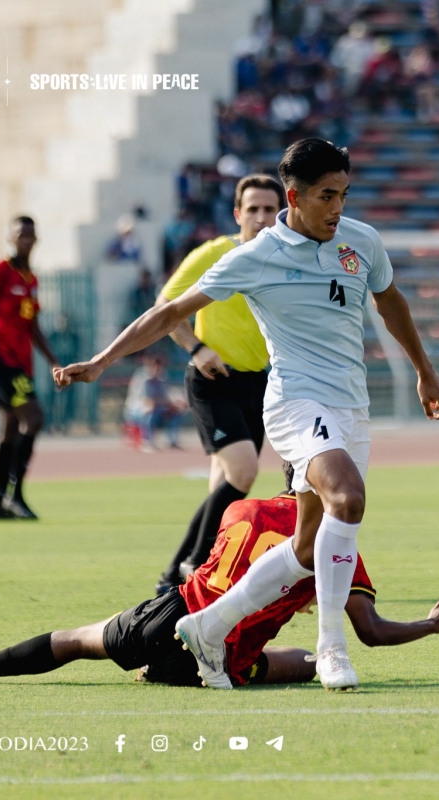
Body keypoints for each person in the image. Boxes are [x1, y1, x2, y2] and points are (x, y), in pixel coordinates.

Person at [55, 138, 439, 692]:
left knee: (310, 546)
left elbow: (391, 301)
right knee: (348, 497)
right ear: (295, 196)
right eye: (326, 196)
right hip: (294, 402)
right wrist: (101, 361)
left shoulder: (361, 241)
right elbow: (170, 311)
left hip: (351, 405)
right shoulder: (256, 256)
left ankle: (209, 628)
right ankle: (332, 650)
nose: (338, 208)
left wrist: (424, 370)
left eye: (344, 194)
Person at [0, 464, 439, 687]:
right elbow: (370, 631)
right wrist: (431, 626)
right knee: (309, 663)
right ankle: (171, 670)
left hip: (169, 616)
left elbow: (219, 568)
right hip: (220, 658)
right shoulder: (339, 546)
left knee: (76, 640)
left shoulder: (241, 510)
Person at [153, 174, 284, 595]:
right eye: (253, 210)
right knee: (244, 472)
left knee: (222, 490)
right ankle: (196, 560)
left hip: (258, 384)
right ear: (237, 213)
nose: (262, 218)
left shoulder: (286, 258)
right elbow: (164, 307)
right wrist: (195, 348)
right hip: (212, 380)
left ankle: (174, 576)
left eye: (269, 209)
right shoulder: (215, 253)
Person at [0, 216, 61, 521]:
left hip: (23, 363)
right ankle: (17, 494)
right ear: (10, 238)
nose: (26, 240)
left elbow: (33, 325)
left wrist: (53, 361)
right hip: (2, 363)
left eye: (31, 236)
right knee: (34, 417)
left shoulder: (30, 280)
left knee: (9, 428)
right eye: (21, 235)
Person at [123, 354, 185, 452]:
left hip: (157, 407)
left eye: (159, 365)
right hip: (136, 410)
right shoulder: (142, 378)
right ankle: (147, 442)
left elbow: (165, 396)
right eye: (154, 365)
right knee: (149, 413)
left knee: (174, 412)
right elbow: (146, 401)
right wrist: (159, 403)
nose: (157, 368)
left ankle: (172, 441)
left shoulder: (162, 377)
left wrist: (172, 404)